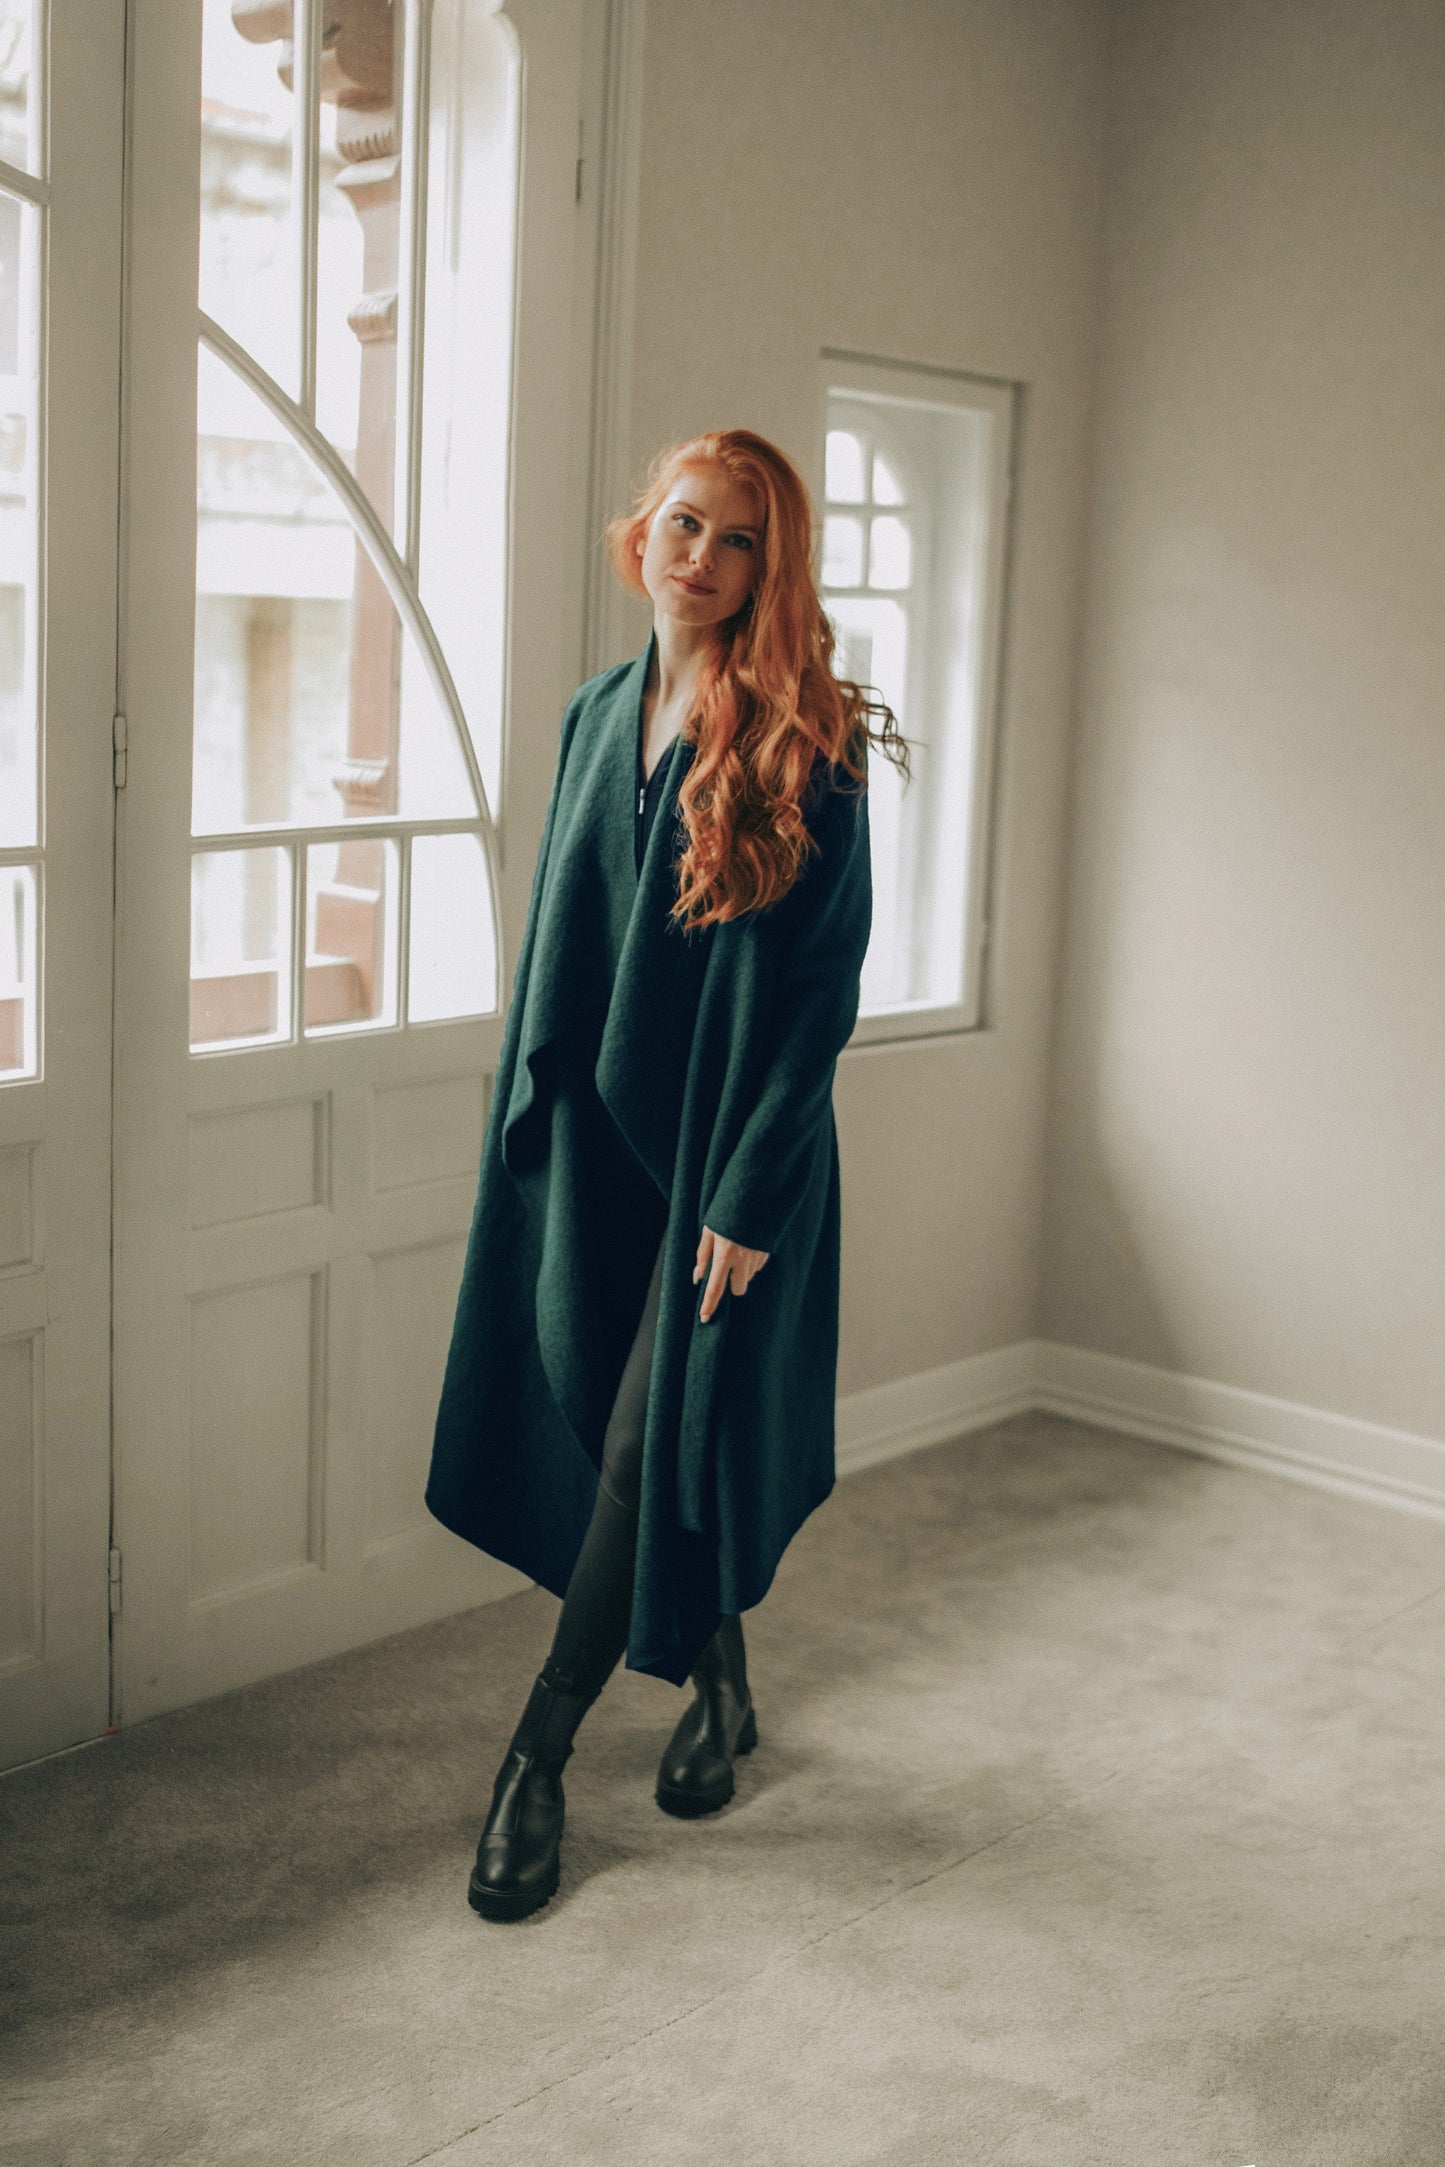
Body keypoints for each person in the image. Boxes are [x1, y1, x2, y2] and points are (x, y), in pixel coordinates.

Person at [425, 428, 909, 1922]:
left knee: (651, 1443)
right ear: (641, 533)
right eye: (683, 524)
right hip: (595, 1149)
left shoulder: (804, 737)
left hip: (723, 1158)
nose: (700, 555)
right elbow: (561, 943)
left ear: (774, 566)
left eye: (737, 538)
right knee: (617, 1422)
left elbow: (820, 993)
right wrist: (526, 1116)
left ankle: (537, 1760)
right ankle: (726, 1693)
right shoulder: (593, 713)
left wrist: (753, 1199)